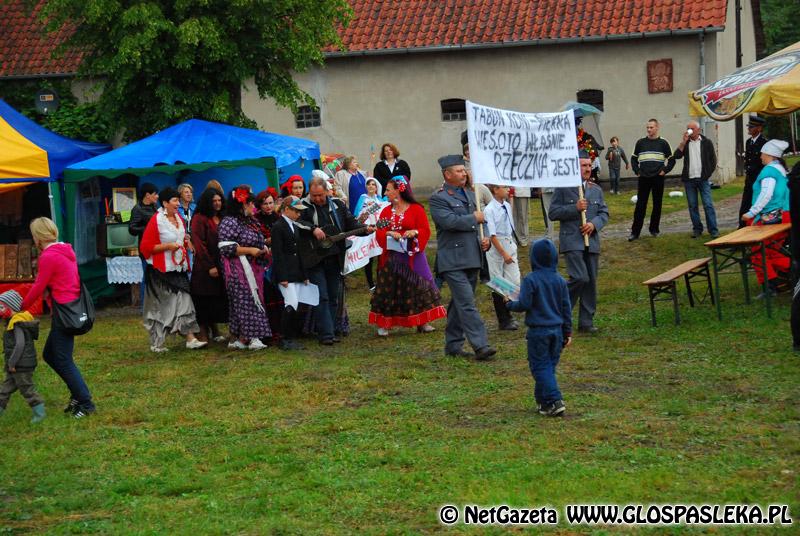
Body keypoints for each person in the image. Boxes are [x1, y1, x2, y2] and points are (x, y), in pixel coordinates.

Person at [21, 217, 96, 418]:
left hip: (64, 312)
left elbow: (38, 285)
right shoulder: (64, 251)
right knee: (50, 355)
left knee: (62, 359)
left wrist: (20, 307)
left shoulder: (49, 256)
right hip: (69, 309)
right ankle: (77, 396)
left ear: (37, 236)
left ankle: (86, 403)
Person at [429, 155, 496, 361]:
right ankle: (481, 345)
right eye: (458, 171)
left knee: (459, 303)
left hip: (472, 255)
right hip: (452, 259)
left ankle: (453, 345)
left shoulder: (470, 194)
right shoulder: (439, 198)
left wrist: (484, 240)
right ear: (447, 174)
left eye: (464, 170)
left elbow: (479, 224)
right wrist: (473, 219)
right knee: (467, 302)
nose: (463, 173)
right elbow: (449, 222)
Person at [369, 176, 446, 336]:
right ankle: (385, 323)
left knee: (418, 286)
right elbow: (380, 231)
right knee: (390, 289)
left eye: (388, 190)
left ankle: (422, 322)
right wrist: (389, 232)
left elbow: (425, 229)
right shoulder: (385, 211)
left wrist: (414, 232)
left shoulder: (416, 209)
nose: (385, 192)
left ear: (398, 191)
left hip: (412, 255)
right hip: (392, 258)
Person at [299, 177, 371, 345]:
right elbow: (295, 222)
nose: (317, 199)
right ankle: (326, 335)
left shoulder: (337, 206)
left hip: (334, 257)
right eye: (314, 195)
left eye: (320, 195)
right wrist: (313, 228)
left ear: (327, 191)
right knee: (322, 296)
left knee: (333, 296)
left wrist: (366, 230)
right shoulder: (303, 206)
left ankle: (329, 331)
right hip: (314, 258)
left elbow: (351, 224)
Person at [506, 239, 572, 417]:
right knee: (548, 366)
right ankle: (543, 403)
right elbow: (566, 308)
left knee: (540, 367)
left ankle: (554, 399)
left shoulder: (531, 279)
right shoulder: (560, 281)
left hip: (538, 332)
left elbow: (525, 303)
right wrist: (568, 332)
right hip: (557, 332)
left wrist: (509, 304)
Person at [139, 188, 207, 353]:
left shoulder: (179, 218)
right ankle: (157, 343)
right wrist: (168, 246)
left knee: (185, 300)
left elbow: (181, 237)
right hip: (160, 270)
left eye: (178, 200)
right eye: (175, 200)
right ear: (165, 203)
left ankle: (190, 338)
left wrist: (187, 241)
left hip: (178, 268)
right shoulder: (156, 220)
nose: (178, 203)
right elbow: (145, 247)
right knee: (162, 308)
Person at [549, 152, 609, 334]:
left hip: (591, 241)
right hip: (572, 240)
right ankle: (558, 311)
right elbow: (553, 213)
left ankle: (586, 321)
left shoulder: (595, 189)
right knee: (580, 277)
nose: (588, 169)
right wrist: (574, 209)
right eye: (583, 165)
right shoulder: (564, 188)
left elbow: (604, 213)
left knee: (590, 282)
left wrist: (594, 224)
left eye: (589, 166)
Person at [218, 187, 272, 350]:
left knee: (248, 301)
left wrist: (262, 246)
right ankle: (253, 337)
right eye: (250, 204)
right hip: (238, 270)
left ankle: (241, 339)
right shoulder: (229, 221)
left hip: (254, 268)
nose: (253, 208)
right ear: (242, 205)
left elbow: (256, 239)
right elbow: (225, 247)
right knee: (246, 301)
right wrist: (250, 250)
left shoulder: (250, 220)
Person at [741, 139, 791, 296]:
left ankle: (772, 285)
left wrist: (751, 212)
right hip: (784, 216)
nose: (761, 156)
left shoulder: (769, 171)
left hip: (770, 218)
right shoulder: (781, 170)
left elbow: (766, 194)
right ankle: (782, 280)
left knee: (758, 252)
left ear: (769, 154)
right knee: (773, 252)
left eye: (762, 153)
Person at [271, 196, 310, 351]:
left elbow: (298, 252)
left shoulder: (293, 226)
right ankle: (284, 338)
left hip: (295, 272)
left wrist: (304, 274)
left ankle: (291, 336)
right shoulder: (278, 227)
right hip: (285, 273)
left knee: (295, 304)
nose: (299, 214)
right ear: (286, 210)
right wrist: (282, 277)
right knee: (291, 303)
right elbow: (278, 254)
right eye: (296, 211)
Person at [0, 290, 45, 423]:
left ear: (11, 307)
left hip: (20, 365)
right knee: (4, 389)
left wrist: (12, 363)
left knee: (27, 388)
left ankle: (40, 414)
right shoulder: (12, 321)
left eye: (1, 307)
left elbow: (20, 345)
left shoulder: (17, 323)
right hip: (15, 365)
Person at [190, 188, 229, 343]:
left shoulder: (222, 217)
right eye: (214, 201)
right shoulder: (200, 218)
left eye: (219, 200)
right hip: (204, 267)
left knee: (217, 299)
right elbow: (199, 243)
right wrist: (209, 265)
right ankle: (203, 332)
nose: (217, 203)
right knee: (204, 300)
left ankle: (215, 329)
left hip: (222, 264)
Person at [628, 118, 675, 241]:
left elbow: (672, 159)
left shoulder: (663, 143)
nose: (649, 129)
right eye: (647, 127)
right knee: (640, 205)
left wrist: (664, 170)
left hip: (658, 178)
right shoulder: (640, 142)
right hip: (643, 178)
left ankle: (654, 229)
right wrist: (637, 171)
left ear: (657, 127)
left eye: (651, 127)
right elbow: (633, 159)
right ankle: (635, 232)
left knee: (657, 204)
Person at [673, 120, 719, 238]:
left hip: (703, 179)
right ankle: (697, 229)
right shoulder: (686, 143)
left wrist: (706, 175)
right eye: (688, 128)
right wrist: (683, 142)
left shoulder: (706, 142)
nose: (690, 131)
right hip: (689, 180)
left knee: (708, 204)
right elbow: (676, 156)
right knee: (692, 206)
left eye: (692, 129)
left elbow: (713, 161)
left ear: (698, 130)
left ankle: (713, 230)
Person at [484, 184, 521, 331]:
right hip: (496, 245)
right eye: (503, 187)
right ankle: (504, 318)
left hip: (508, 241)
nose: (507, 189)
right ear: (495, 190)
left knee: (514, 279)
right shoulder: (489, 209)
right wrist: (503, 252)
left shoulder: (506, 205)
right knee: (498, 281)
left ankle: (510, 304)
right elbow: (492, 234)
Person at [255, 187, 283, 345]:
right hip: (263, 263)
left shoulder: (278, 218)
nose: (268, 206)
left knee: (280, 295)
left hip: (278, 260)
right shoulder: (256, 220)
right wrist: (268, 241)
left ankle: (281, 330)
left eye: (271, 203)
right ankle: (269, 332)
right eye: (265, 203)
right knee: (268, 295)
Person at [128, 182, 159, 305]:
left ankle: (156, 303)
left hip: (157, 247)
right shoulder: (137, 209)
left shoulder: (155, 207)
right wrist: (147, 228)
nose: (157, 196)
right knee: (147, 276)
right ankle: (144, 304)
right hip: (146, 248)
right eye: (155, 194)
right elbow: (132, 229)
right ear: (147, 195)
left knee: (157, 276)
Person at [354, 177, 387, 291]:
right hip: (368, 231)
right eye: (369, 184)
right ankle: (371, 283)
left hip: (379, 230)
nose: (371, 186)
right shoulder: (363, 198)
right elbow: (357, 215)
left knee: (381, 256)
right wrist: (369, 209)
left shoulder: (380, 200)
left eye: (373, 184)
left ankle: (381, 280)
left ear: (376, 187)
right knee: (370, 256)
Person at [739, 115, 769, 227]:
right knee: (745, 203)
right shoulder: (748, 142)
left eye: (752, 127)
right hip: (750, 179)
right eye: (749, 126)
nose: (749, 129)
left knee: (758, 203)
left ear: (759, 128)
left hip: (759, 178)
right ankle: (741, 226)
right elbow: (748, 159)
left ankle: (756, 225)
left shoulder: (764, 142)